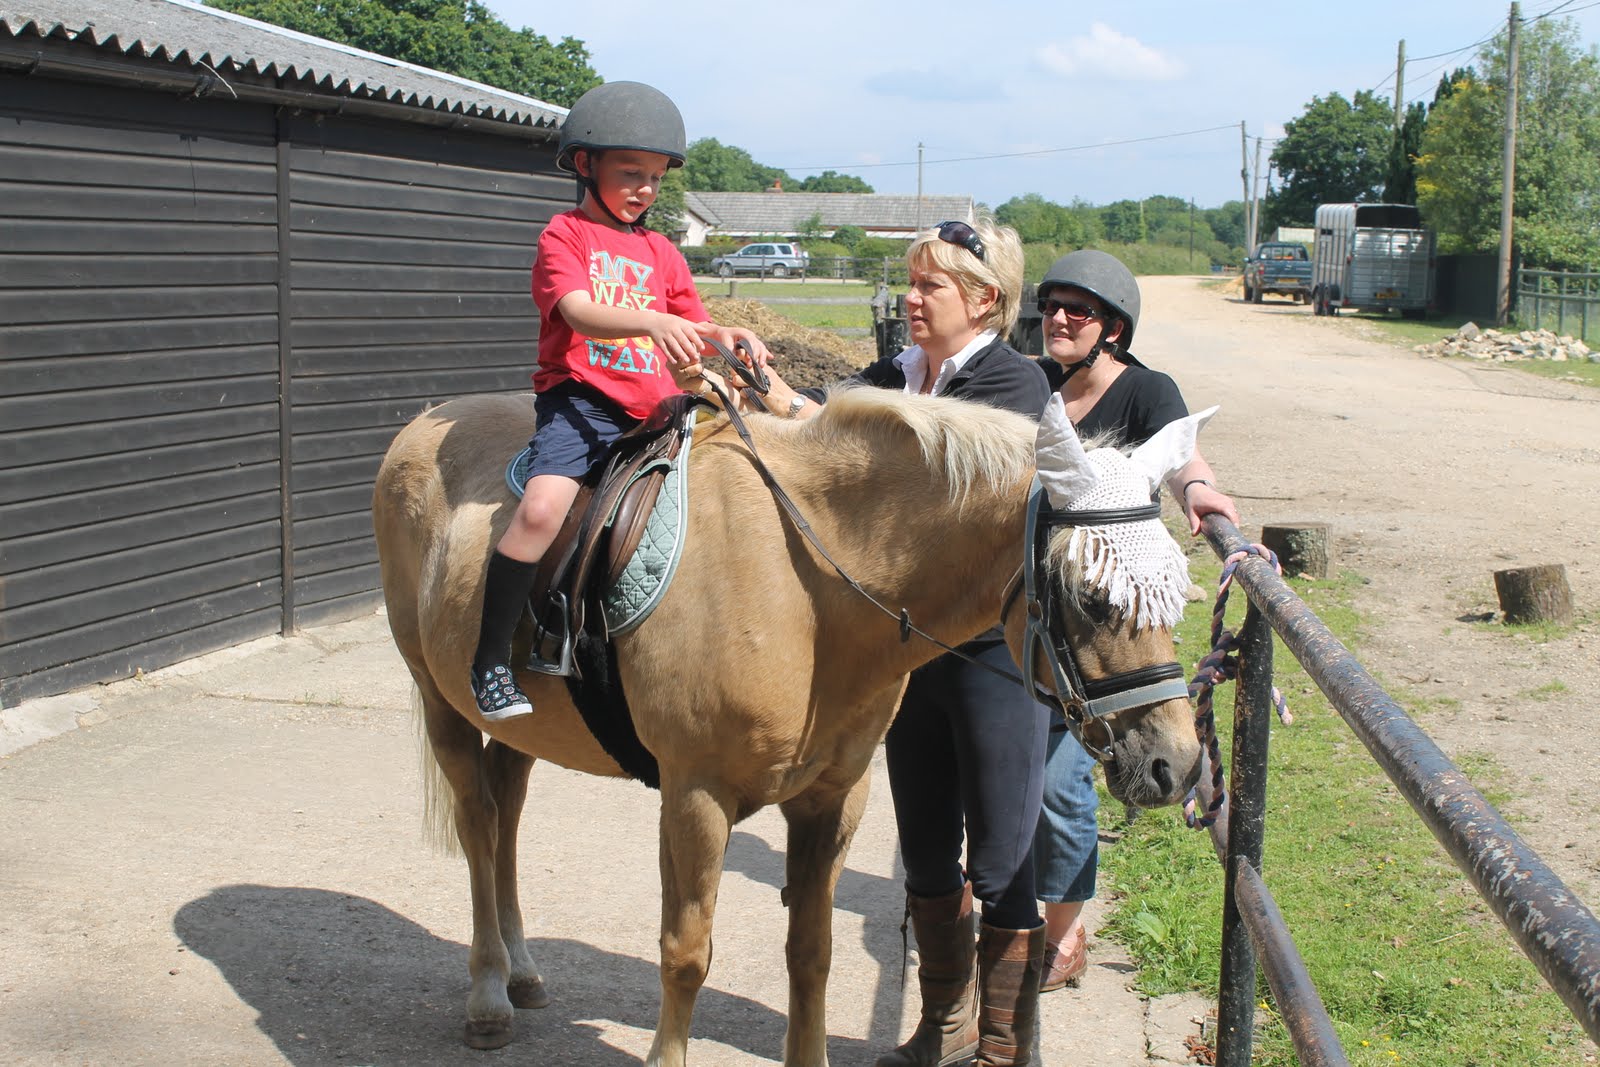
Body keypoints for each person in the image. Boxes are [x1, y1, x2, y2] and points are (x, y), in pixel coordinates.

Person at [755, 216, 1052, 1067]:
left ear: (986, 299)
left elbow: (915, 469)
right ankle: (944, 1026)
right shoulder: (893, 373)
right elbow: (825, 429)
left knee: (1002, 857)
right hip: (902, 652)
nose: (912, 298)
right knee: (924, 848)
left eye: (932, 285)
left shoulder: (1015, 385)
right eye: (912, 281)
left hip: (988, 655)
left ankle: (1003, 1047)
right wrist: (773, 395)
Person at [469, 81, 769, 722]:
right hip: (583, 402)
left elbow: (693, 320)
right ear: (586, 164)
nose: (646, 190)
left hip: (658, 406)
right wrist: (650, 323)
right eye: (631, 173)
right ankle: (491, 660)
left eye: (657, 178)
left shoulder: (660, 251)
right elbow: (576, 311)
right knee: (544, 510)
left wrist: (725, 335)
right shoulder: (564, 237)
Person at [1029, 249, 1239, 992]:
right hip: (1034, 614)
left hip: (1107, 619)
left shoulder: (1145, 390)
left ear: (1111, 327)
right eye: (1052, 305)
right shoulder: (1034, 386)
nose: (1058, 318)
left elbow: (1181, 454)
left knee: (1060, 784)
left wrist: (1203, 494)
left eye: (1077, 310)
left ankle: (1063, 932)